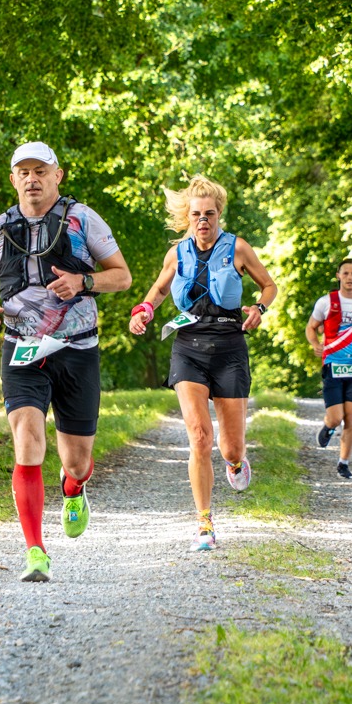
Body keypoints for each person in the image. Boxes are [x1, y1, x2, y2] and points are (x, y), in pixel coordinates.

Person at [0, 142, 133, 581]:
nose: (32, 179)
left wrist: (83, 282)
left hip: (76, 348)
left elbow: (122, 276)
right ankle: (35, 551)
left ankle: (73, 487)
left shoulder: (82, 219)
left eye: (40, 171)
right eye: (23, 172)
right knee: (26, 440)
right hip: (22, 349)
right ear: (13, 179)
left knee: (77, 461)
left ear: (57, 175)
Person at [128, 175, 277, 551]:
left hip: (229, 348)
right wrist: (144, 310)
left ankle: (235, 464)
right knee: (199, 437)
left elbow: (269, 286)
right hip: (188, 348)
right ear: (188, 217)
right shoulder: (177, 254)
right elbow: (160, 289)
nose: (203, 220)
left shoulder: (238, 248)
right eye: (196, 214)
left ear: (219, 214)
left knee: (231, 448)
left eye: (209, 213)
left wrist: (258, 309)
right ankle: (204, 524)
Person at [305, 258, 352, 479]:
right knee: (335, 417)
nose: (349, 277)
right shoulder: (325, 302)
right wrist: (315, 344)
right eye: (345, 273)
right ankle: (328, 427)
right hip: (333, 365)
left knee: (351, 417)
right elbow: (311, 327)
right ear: (338, 276)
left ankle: (343, 463)